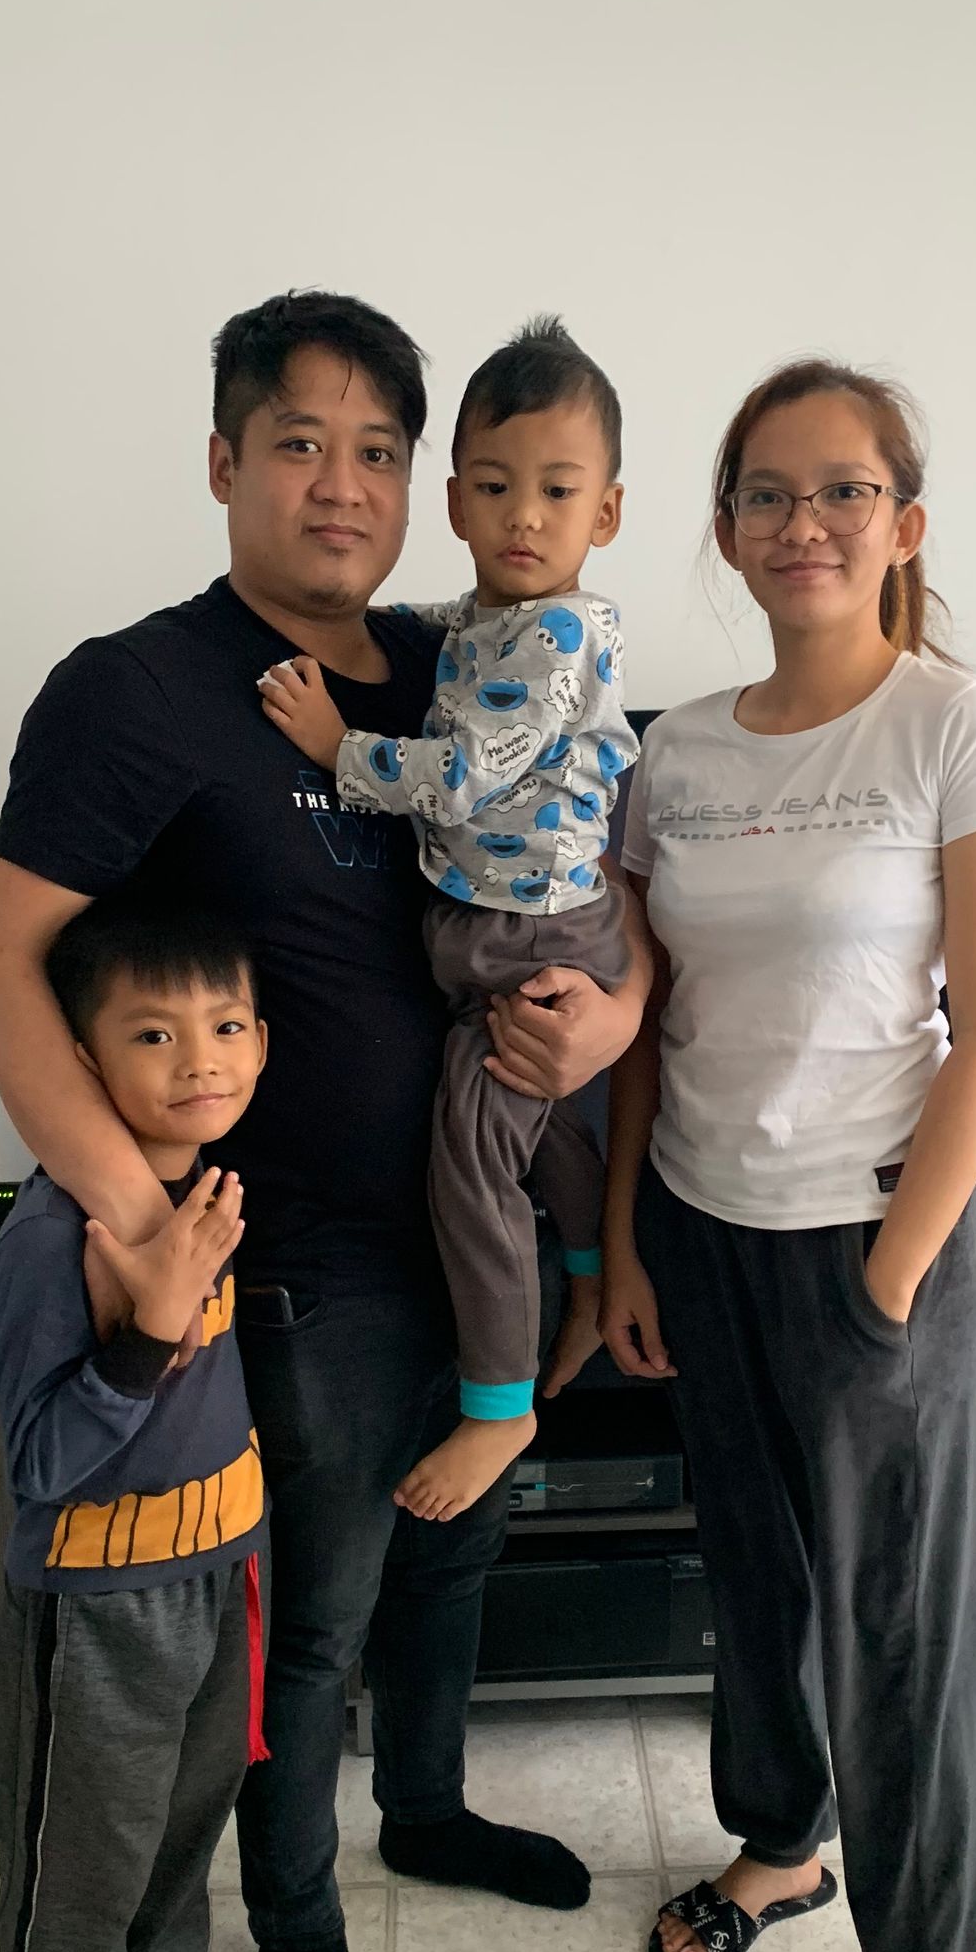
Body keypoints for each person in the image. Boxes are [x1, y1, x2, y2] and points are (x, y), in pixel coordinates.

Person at [0, 291, 650, 1952]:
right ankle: (298, 1938)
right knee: (313, 1619)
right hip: (294, 1268)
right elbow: (0, 977)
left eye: (376, 452)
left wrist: (622, 1018)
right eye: (298, 443)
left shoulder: (462, 665)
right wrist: (141, 1229)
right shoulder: (134, 689)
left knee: (459, 1549)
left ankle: (424, 1810)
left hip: (470, 1208)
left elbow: (606, 868)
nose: (342, 486)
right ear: (223, 463)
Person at [602, 358, 976, 1952]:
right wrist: (629, 1242)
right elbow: (651, 1016)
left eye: (842, 491)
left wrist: (889, 1284)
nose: (805, 524)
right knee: (757, 1579)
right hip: (705, 1230)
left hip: (878, 1242)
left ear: (902, 524)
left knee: (900, 1621)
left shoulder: (960, 727)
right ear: (724, 531)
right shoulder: (683, 752)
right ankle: (781, 1845)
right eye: (770, 495)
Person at [257, 316, 639, 1523]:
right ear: (458, 504)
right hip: (495, 933)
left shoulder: (561, 635)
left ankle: (500, 1401)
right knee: (542, 1136)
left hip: (529, 938)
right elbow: (441, 652)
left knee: (473, 1162)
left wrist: (337, 746)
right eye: (494, 486)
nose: (525, 515)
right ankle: (581, 1277)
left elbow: (465, 774)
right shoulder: (477, 624)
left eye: (557, 490)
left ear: (606, 515)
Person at [0, 894, 266, 1952]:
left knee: (181, 1831)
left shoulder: (207, 1189)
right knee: (73, 1879)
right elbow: (41, 1458)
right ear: (85, 1068)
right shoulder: (58, 1232)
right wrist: (151, 1327)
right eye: (153, 1034)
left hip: (223, 1572)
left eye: (224, 1025)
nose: (198, 1058)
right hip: (100, 1608)